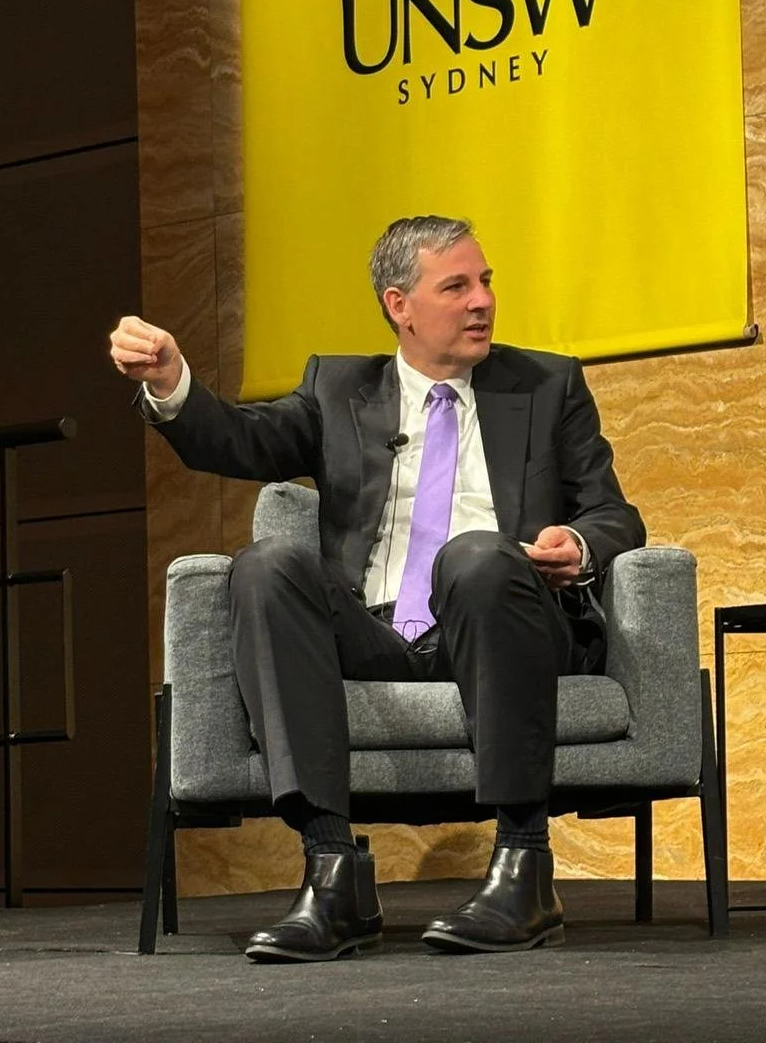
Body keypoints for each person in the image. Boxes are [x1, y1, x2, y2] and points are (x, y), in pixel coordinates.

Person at [109, 215, 645, 962]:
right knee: (265, 564)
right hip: (380, 631)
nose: (481, 301)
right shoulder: (339, 389)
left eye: (485, 281)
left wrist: (580, 544)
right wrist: (170, 382)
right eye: (455, 285)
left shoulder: (547, 385)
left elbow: (614, 511)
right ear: (400, 304)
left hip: (501, 618)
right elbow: (237, 438)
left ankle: (524, 869)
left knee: (476, 558)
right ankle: (334, 877)